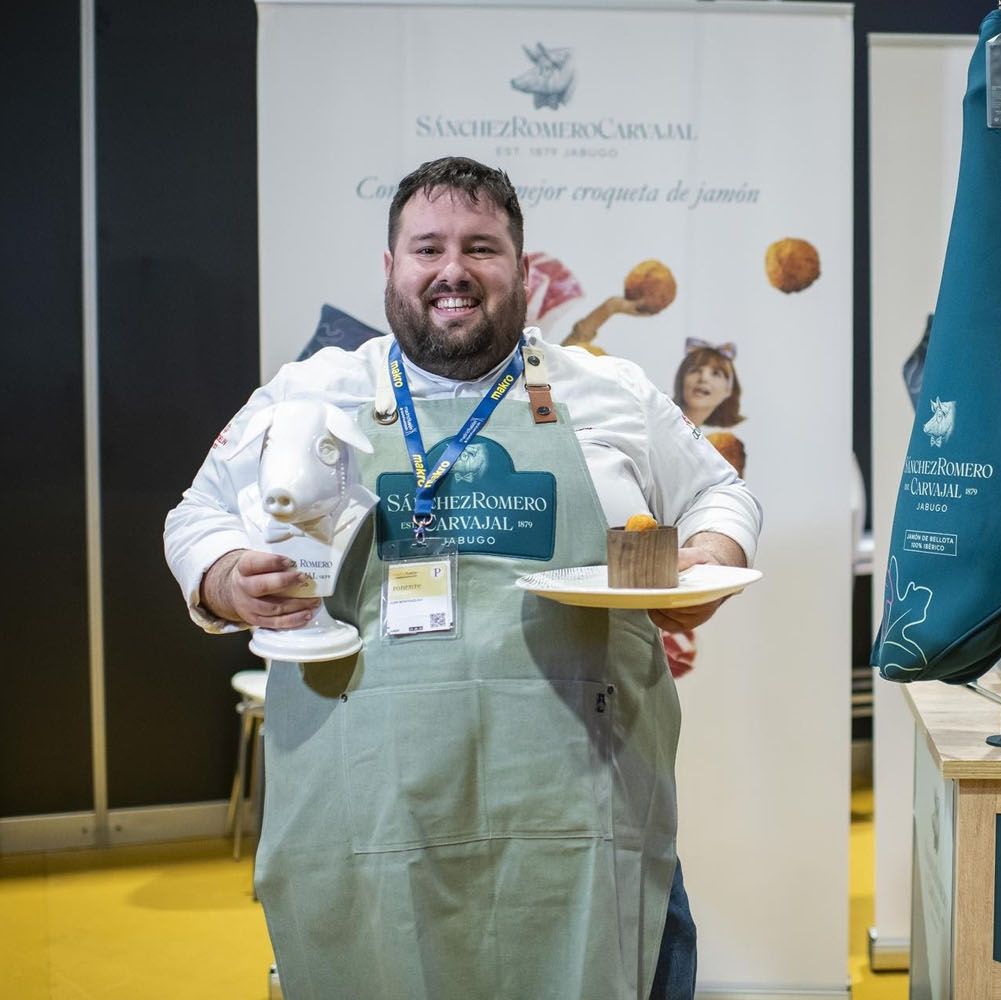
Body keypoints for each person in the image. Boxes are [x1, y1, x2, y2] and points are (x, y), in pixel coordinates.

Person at [163, 156, 760, 1000]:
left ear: (522, 266)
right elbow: (196, 514)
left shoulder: (609, 390)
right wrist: (222, 575)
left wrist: (713, 552)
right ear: (390, 268)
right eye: (428, 248)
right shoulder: (311, 392)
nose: (453, 271)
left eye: (481, 247)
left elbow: (719, 493)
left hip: (582, 808)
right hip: (370, 810)